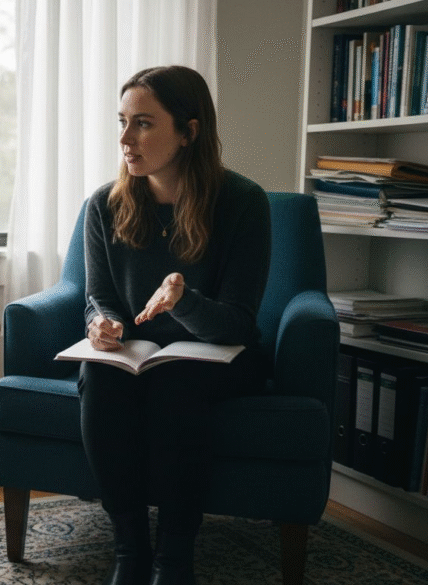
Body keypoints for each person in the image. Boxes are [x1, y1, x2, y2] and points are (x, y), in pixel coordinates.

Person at [79, 65, 271, 585]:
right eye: (121, 121)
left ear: (188, 132)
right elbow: (97, 295)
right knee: (98, 376)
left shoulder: (243, 203)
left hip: (221, 357)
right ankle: (130, 550)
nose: (124, 138)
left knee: (175, 385)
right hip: (137, 355)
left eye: (142, 123)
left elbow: (237, 323)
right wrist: (103, 324)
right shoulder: (104, 204)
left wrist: (181, 301)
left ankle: (174, 556)